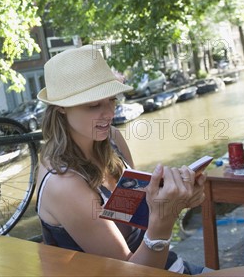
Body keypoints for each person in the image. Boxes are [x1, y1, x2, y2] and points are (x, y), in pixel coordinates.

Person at [36, 45, 209, 274]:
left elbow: (137, 213)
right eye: (93, 105)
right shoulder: (64, 184)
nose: (109, 113)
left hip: (168, 265)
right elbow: (134, 274)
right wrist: (164, 219)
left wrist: (176, 200)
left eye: (112, 100)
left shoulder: (111, 140)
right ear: (61, 109)